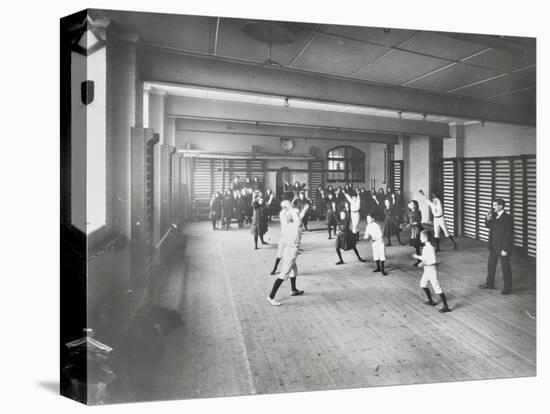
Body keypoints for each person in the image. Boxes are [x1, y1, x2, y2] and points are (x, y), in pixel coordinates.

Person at [266, 200, 308, 306]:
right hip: (291, 251)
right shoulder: (295, 224)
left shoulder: (289, 222)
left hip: (289, 250)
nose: (298, 214)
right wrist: (293, 209)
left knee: (294, 270)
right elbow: (298, 219)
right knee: (283, 275)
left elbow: (299, 217)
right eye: (296, 213)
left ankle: (293, 290)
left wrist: (303, 210)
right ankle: (271, 296)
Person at [479, 199, 514, 295]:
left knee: (505, 268)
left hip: (503, 247)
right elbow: (488, 225)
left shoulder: (507, 218)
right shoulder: (494, 215)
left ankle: (507, 288)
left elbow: (509, 235)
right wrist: (487, 217)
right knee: (491, 265)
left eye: (495, 205)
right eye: (493, 204)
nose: (493, 207)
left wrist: (506, 249)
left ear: (501, 206)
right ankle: (490, 284)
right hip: (494, 246)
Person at [412, 230, 451, 313]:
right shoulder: (425, 247)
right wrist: (417, 257)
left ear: (425, 238)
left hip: (431, 271)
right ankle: (430, 301)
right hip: (427, 271)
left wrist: (423, 264)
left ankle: (446, 307)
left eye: (421, 237)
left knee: (437, 288)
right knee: (423, 284)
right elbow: (425, 257)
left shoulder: (431, 248)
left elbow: (433, 261)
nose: (420, 238)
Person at [406, 200, 423, 266]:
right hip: (413, 230)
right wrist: (407, 224)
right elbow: (409, 220)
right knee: (416, 245)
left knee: (418, 245)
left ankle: (420, 260)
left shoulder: (418, 212)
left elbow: (418, 222)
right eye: (410, 204)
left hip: (417, 229)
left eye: (412, 204)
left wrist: (410, 224)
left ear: (415, 205)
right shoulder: (410, 212)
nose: (410, 205)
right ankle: (420, 259)